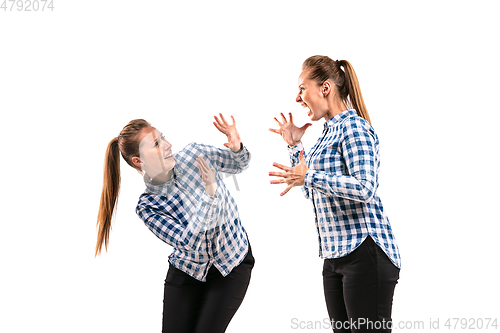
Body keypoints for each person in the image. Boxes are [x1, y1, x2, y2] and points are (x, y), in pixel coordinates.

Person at [269, 55, 401, 332]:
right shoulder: (327, 134)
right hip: (334, 256)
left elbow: (365, 188)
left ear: (325, 88)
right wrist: (295, 146)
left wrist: (311, 176)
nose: (298, 97)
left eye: (302, 88)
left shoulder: (355, 128)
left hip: (365, 252)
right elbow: (311, 190)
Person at [95, 114, 254, 333]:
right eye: (157, 144)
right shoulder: (148, 206)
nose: (169, 146)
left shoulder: (195, 154)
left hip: (231, 263)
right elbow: (188, 242)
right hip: (188, 271)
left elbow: (240, 164)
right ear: (138, 161)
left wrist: (236, 146)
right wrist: (209, 195)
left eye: (164, 138)